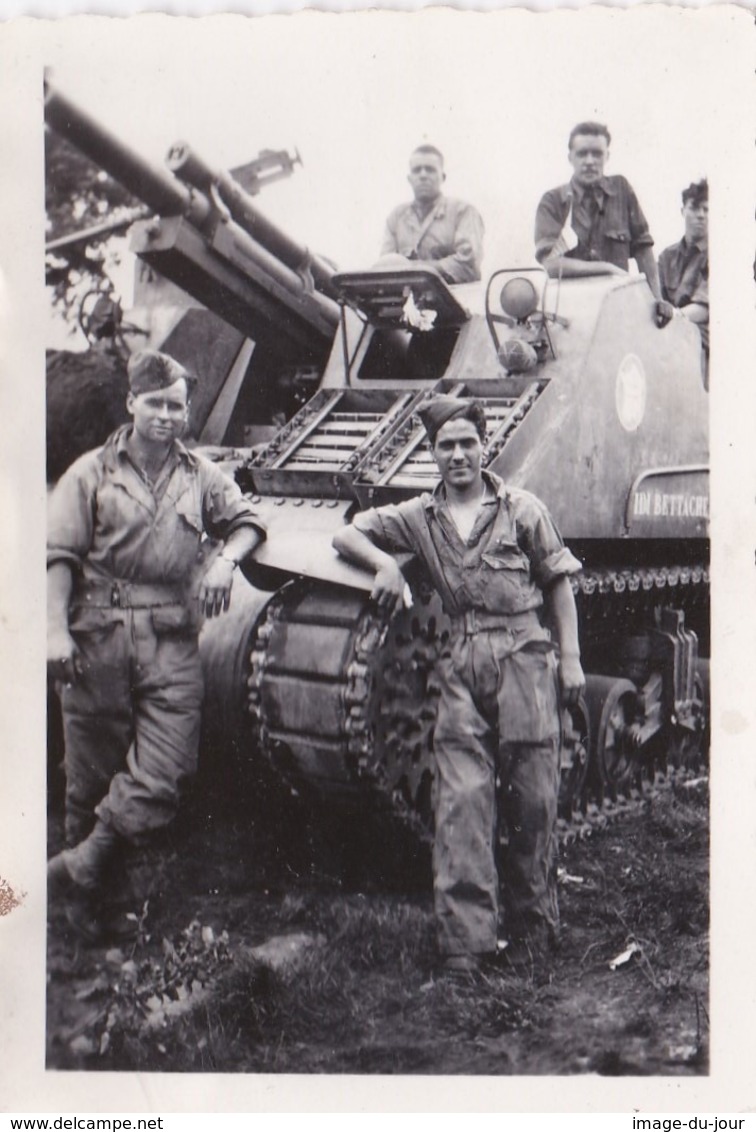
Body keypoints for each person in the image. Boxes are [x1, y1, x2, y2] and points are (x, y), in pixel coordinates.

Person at [332, 395, 585, 975]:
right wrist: (385, 564)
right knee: (461, 804)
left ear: (484, 444)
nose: (458, 454)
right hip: (461, 659)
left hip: (523, 653)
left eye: (468, 442)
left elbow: (559, 584)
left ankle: (532, 932)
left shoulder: (522, 509)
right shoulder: (419, 516)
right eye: (446, 445)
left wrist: (569, 658)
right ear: (432, 453)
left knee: (533, 799)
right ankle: (465, 947)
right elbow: (347, 535)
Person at [47, 349, 265, 943]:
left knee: (166, 770)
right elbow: (59, 556)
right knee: (91, 771)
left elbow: (247, 520)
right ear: (131, 404)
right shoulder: (91, 472)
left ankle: (75, 870)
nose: (166, 415)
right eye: (155, 403)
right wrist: (53, 628)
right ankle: (88, 910)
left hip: (171, 635)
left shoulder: (200, 476)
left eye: (176, 405)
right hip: (98, 630)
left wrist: (226, 561)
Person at [535, 122, 670, 320]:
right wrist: (607, 270)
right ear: (570, 158)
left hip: (617, 309)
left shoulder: (621, 190)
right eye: (582, 154)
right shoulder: (553, 201)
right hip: (570, 314)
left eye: (597, 154)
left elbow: (643, 248)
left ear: (607, 156)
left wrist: (656, 299)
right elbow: (551, 265)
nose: (590, 161)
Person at [380, 145, 484, 284]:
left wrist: (414, 269)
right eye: (417, 170)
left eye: (430, 169)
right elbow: (385, 268)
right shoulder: (396, 217)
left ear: (443, 177)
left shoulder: (462, 211)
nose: (423, 175)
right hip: (407, 302)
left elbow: (468, 264)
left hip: (454, 299)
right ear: (410, 179)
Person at [658, 178, 709, 357]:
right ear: (682, 211)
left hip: (703, 345)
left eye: (707, 209)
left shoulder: (718, 257)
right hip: (668, 338)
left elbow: (705, 309)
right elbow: (655, 300)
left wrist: (671, 316)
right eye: (694, 208)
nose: (701, 215)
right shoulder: (666, 257)